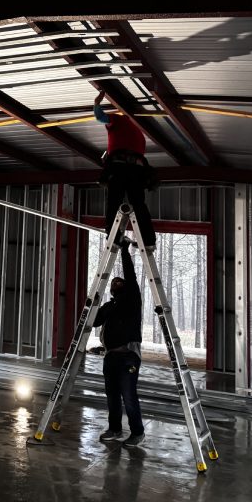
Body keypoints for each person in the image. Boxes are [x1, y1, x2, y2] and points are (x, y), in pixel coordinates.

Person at [92, 237, 145, 447]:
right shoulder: (109, 306)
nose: (116, 281)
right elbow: (95, 322)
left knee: (128, 396)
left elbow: (130, 275)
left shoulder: (132, 299)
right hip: (111, 356)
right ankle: (114, 429)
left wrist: (124, 250)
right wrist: (93, 304)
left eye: (118, 280)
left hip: (128, 356)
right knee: (112, 396)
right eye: (113, 282)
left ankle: (138, 432)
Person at [93, 92, 156, 247]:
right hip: (137, 171)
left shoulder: (118, 119)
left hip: (119, 168)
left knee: (114, 203)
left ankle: (113, 238)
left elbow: (99, 116)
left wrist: (96, 103)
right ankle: (148, 240)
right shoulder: (139, 133)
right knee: (138, 204)